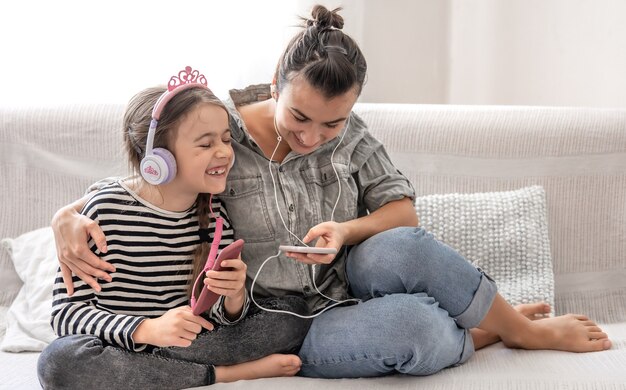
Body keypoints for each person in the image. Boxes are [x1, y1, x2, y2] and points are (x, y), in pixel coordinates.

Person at [51, 5, 611, 380]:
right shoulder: (218, 131)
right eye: (299, 116)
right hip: (283, 320)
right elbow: (154, 176)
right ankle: (480, 332)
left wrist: (346, 231)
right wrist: (66, 215)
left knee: (403, 246)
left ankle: (520, 331)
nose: (311, 137)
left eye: (332, 124)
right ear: (275, 82)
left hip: (349, 284)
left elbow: (402, 211)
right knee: (410, 328)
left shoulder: (352, 135)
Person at [38, 67, 312, 389]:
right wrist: (147, 329)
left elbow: (217, 318)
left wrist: (235, 295)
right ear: (159, 158)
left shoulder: (216, 215)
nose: (224, 152)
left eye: (226, 139)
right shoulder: (103, 211)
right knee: (59, 361)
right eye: (205, 144)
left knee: (292, 314)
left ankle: (157, 372)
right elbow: (66, 314)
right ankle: (223, 374)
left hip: (190, 342)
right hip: (121, 343)